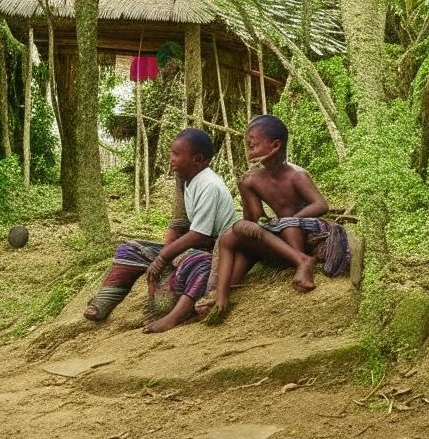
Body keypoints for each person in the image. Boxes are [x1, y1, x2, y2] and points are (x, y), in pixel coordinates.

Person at [84, 128, 236, 329]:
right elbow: (180, 223)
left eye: (176, 154)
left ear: (197, 159)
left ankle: (175, 316)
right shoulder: (186, 181)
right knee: (129, 249)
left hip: (214, 250)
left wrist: (163, 258)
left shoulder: (209, 185)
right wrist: (166, 255)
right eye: (171, 152)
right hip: (195, 244)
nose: (171, 158)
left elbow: (199, 235)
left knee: (196, 265)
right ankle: (105, 298)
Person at [203, 114, 348, 322]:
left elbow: (320, 205)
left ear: (275, 145)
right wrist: (249, 198)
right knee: (230, 236)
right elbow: (255, 218)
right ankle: (221, 294)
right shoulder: (251, 180)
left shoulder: (296, 175)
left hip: (303, 231)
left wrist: (289, 220)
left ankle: (303, 262)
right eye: (247, 145)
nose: (248, 149)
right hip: (278, 236)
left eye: (253, 144)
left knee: (289, 222)